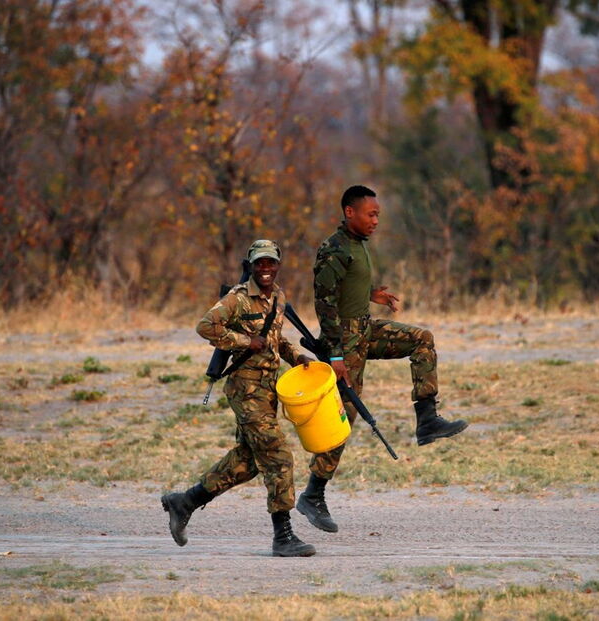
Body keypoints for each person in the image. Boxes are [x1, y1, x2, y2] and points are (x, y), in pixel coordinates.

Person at [296, 185, 468, 533]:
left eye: (378, 215)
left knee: (421, 339)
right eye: (371, 214)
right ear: (350, 212)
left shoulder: (358, 244)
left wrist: (370, 293)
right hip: (344, 339)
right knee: (344, 416)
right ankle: (313, 494)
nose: (376, 221)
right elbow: (325, 305)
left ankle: (427, 419)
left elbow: (348, 287)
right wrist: (336, 354)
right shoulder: (334, 249)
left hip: (364, 328)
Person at [161, 239, 316, 557]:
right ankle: (283, 537)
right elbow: (205, 326)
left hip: (268, 390)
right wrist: (244, 341)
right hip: (245, 390)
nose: (266, 268)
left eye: (271, 262)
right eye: (260, 263)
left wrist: (296, 357)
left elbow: (275, 339)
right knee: (278, 457)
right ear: (251, 265)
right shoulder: (238, 298)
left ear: (278, 264)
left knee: (248, 462)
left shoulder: (278, 296)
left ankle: (185, 502)